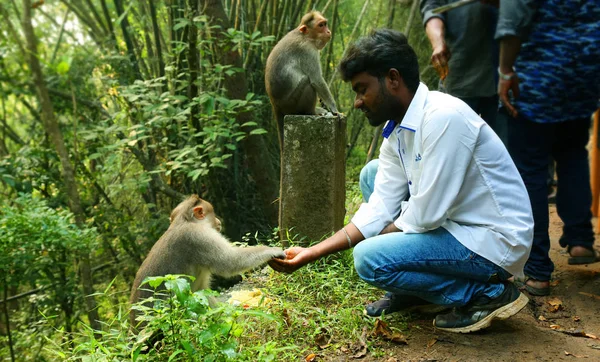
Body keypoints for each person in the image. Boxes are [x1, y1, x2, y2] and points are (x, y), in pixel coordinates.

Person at [269, 29, 533, 334]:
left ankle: (486, 294)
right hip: (456, 225)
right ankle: (416, 291)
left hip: (494, 240)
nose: (357, 102)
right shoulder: (397, 131)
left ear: (392, 79)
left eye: (362, 89)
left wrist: (381, 237)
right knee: (373, 173)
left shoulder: (443, 117)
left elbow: (426, 215)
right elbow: (380, 206)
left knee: (369, 258)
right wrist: (312, 251)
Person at [496, 0, 600, 296]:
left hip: (539, 76)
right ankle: (581, 241)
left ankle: (538, 270)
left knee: (530, 170)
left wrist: (505, 70)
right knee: (573, 153)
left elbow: (513, 20)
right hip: (585, 75)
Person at [420, 0, 503, 140]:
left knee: (502, 147)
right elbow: (432, 10)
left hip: (504, 79)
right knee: (452, 142)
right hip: (460, 78)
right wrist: (438, 43)